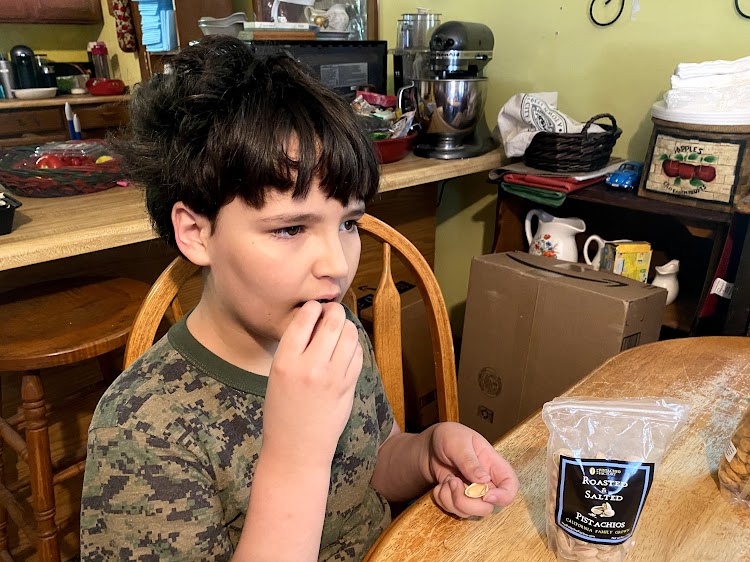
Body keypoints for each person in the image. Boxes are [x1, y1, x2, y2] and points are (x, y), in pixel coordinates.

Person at [80, 35, 519, 561]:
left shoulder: (335, 330)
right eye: (289, 229)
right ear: (196, 233)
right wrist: (296, 456)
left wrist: (426, 455)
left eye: (349, 223)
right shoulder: (143, 427)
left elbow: (372, 463)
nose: (337, 265)